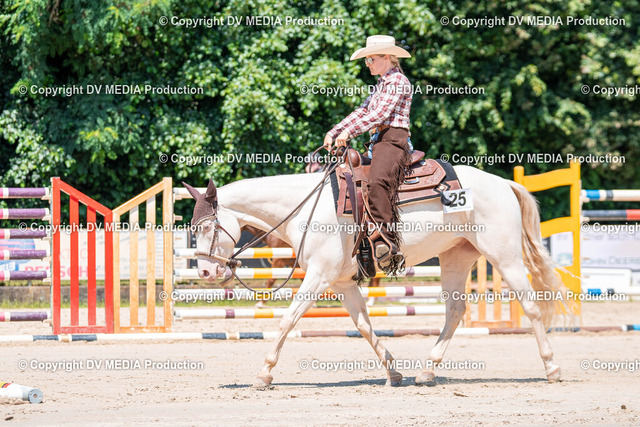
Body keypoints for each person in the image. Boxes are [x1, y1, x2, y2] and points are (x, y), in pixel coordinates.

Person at [323, 35, 413, 272]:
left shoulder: (398, 81)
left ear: (387, 57)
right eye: (366, 60)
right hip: (378, 141)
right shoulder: (381, 84)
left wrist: (348, 133)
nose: (367, 64)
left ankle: (387, 241)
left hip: (393, 140)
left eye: (371, 59)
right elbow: (362, 111)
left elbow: (378, 115)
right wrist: (334, 131)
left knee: (376, 182)